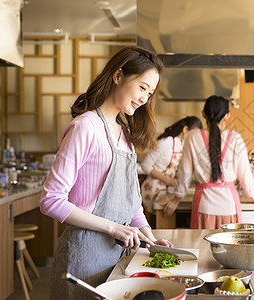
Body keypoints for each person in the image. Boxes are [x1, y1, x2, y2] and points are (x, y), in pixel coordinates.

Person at [39, 46, 173, 299]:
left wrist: (149, 238)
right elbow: (50, 200)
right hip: (83, 260)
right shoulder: (85, 127)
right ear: (118, 75)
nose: (145, 98)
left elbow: (131, 207)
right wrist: (112, 228)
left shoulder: (125, 135)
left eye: (150, 92)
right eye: (142, 87)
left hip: (118, 260)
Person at [164, 95, 254, 229]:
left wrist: (176, 198)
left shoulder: (193, 137)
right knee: (229, 249)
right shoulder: (235, 138)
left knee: (203, 247)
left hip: (203, 207)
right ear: (227, 116)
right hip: (229, 207)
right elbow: (244, 173)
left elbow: (184, 172)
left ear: (203, 114)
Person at [140, 116, 203, 215]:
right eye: (193, 134)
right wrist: (169, 180)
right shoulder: (166, 142)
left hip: (167, 188)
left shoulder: (183, 144)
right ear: (185, 129)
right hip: (153, 188)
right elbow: (145, 165)